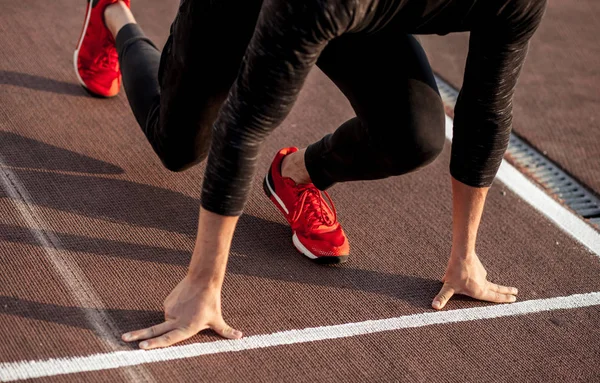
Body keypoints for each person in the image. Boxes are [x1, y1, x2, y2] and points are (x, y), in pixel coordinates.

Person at [74, 0, 546, 349]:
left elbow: (486, 110)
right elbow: (243, 124)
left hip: (353, 15)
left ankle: (294, 176)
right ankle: (113, 14)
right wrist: (202, 284)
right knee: (177, 147)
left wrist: (465, 258)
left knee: (413, 136)